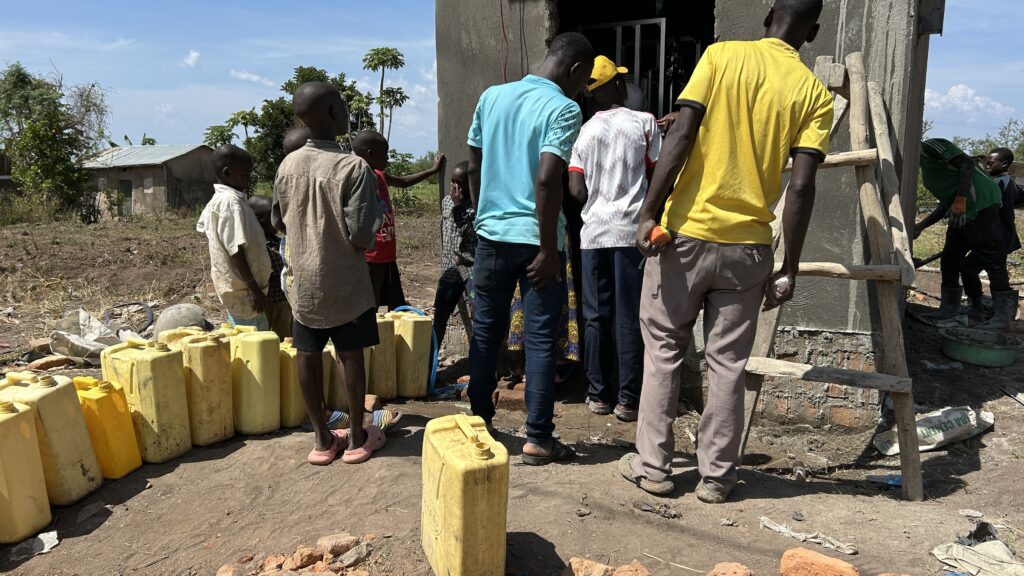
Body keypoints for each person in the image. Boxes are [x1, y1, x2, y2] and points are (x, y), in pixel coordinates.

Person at [619, 0, 834, 503]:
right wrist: (789, 266)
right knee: (728, 363)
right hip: (749, 250)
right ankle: (717, 477)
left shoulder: (720, 57)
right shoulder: (814, 94)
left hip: (685, 238)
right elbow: (801, 187)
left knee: (664, 351)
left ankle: (654, 469)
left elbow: (682, 133)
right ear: (813, 32)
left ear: (768, 15)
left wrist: (649, 211)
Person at [466, 31, 595, 465]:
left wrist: (483, 214)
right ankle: (538, 438)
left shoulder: (492, 97)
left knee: (486, 332)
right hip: (535, 241)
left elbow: (473, 163)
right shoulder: (563, 108)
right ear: (576, 69)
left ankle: (479, 425)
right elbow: (546, 179)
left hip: (491, 237)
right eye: (584, 80)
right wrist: (547, 249)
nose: (581, 90)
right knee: (540, 340)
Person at [272, 81, 385, 465]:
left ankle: (322, 440)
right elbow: (362, 234)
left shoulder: (287, 166)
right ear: (336, 113)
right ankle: (356, 438)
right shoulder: (353, 167)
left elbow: (279, 222)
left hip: (303, 283)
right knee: (350, 355)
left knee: (306, 354)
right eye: (343, 107)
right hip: (345, 283)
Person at [569, 55, 661, 422]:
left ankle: (598, 395)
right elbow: (658, 174)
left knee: (595, 317)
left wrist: (598, 199)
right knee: (628, 316)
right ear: (619, 85)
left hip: (593, 235)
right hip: (630, 234)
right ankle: (627, 400)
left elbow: (576, 189)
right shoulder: (645, 123)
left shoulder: (584, 132)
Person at [916, 139, 1012, 327]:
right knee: (950, 259)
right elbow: (948, 201)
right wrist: (921, 226)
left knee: (992, 259)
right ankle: (954, 308)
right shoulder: (926, 168)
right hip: (961, 210)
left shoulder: (932, 146)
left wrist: (960, 202)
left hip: (982, 205)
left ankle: (1003, 316)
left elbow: (967, 164)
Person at [352, 130, 445, 311]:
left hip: (387, 256)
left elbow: (403, 182)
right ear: (370, 153)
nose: (387, 158)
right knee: (369, 308)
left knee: (397, 306)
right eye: (384, 154)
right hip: (371, 258)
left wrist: (432, 170)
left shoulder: (380, 175)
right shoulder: (358, 179)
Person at [196, 145, 272, 331]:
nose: (249, 179)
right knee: (254, 342)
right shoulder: (229, 202)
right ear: (227, 173)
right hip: (245, 293)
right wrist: (254, 290)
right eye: (245, 175)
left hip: (244, 291)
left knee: (245, 337)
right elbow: (234, 250)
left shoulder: (226, 200)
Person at [433, 161, 478, 351]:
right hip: (451, 265)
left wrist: (460, 208)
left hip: (472, 266)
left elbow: (472, 235)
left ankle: (480, 360)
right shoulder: (446, 201)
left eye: (460, 183)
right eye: (452, 182)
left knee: (478, 312)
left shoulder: (477, 206)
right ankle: (430, 361)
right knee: (440, 314)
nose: (455, 187)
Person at [247, 195, 292, 340]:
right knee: (264, 340)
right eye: (272, 217)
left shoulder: (278, 241)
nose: (278, 221)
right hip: (265, 303)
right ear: (258, 219)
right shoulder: (254, 246)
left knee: (285, 340)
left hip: (283, 301)